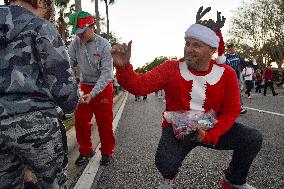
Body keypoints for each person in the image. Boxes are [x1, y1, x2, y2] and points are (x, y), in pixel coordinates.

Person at [111, 7, 262, 189]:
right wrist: (123, 67)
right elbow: (140, 85)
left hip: (210, 128)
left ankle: (233, 180)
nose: (188, 49)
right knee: (165, 163)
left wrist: (209, 135)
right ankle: (168, 178)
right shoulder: (171, 68)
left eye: (196, 45)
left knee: (252, 138)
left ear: (212, 49)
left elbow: (231, 110)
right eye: (187, 43)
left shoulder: (226, 73)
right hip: (178, 128)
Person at [0, 0, 79, 188]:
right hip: (36, 125)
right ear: (41, 2)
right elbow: (65, 91)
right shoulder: (40, 27)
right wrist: (71, 103)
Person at [68, 11, 115, 166]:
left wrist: (93, 93)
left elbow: (107, 74)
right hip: (85, 85)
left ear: (92, 27)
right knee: (80, 119)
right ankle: (86, 150)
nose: (80, 36)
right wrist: (73, 85)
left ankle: (107, 151)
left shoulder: (104, 45)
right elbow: (69, 63)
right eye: (78, 33)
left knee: (104, 122)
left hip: (102, 87)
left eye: (83, 32)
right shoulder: (76, 42)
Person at [225, 43, 247, 114]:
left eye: (232, 47)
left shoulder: (238, 56)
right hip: (228, 77)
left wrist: (240, 70)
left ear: (234, 48)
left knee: (237, 92)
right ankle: (228, 108)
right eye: (229, 48)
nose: (231, 49)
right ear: (227, 49)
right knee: (228, 93)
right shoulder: (225, 57)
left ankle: (239, 107)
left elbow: (244, 63)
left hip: (236, 76)